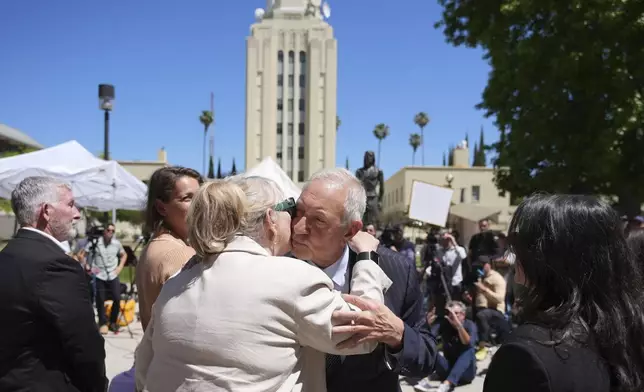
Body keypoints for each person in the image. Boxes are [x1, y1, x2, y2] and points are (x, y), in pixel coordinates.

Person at [135, 177, 392, 392]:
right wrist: (367, 260)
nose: (296, 222)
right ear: (271, 219)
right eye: (291, 211)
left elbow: (143, 368)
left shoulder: (178, 281)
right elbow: (364, 331)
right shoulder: (293, 278)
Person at [291, 168, 437, 392]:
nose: (299, 228)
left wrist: (397, 334)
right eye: (298, 212)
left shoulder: (396, 270)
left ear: (350, 230)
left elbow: (426, 358)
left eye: (318, 220)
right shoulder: (274, 267)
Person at [484, 194, 644, 392]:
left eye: (520, 244)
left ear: (549, 258)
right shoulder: (629, 332)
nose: (512, 255)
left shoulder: (525, 355)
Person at [0, 176, 107, 391]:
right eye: (70, 204)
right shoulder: (56, 265)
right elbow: (84, 344)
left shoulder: (6, 257)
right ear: (47, 211)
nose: (77, 213)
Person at [136, 166, 203, 331]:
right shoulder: (180, 254)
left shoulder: (155, 246)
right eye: (187, 198)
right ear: (161, 207)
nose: (200, 205)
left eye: (200, 197)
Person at [415, 301, 477, 392]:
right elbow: (427, 340)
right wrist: (426, 325)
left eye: (456, 313)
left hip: (466, 373)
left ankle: (447, 384)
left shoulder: (470, 325)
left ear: (463, 315)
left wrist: (458, 326)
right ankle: (427, 380)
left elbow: (468, 342)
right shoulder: (444, 324)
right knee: (430, 349)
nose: (453, 316)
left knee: (469, 349)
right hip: (448, 369)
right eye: (450, 313)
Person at [82, 222, 127, 334]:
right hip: (99, 274)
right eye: (108, 230)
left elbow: (124, 255)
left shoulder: (117, 244)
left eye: (112, 231)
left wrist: (120, 267)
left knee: (117, 298)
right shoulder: (96, 243)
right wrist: (87, 266)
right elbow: (82, 255)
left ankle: (112, 322)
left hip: (112, 274)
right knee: (100, 299)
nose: (110, 232)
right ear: (104, 231)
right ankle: (102, 323)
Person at [473, 256, 507, 359]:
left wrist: (485, 290)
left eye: (482, 266)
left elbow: (500, 298)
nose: (479, 268)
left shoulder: (497, 278)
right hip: (481, 309)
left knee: (481, 315)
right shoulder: (481, 277)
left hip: (495, 311)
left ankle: (485, 345)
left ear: (488, 265)